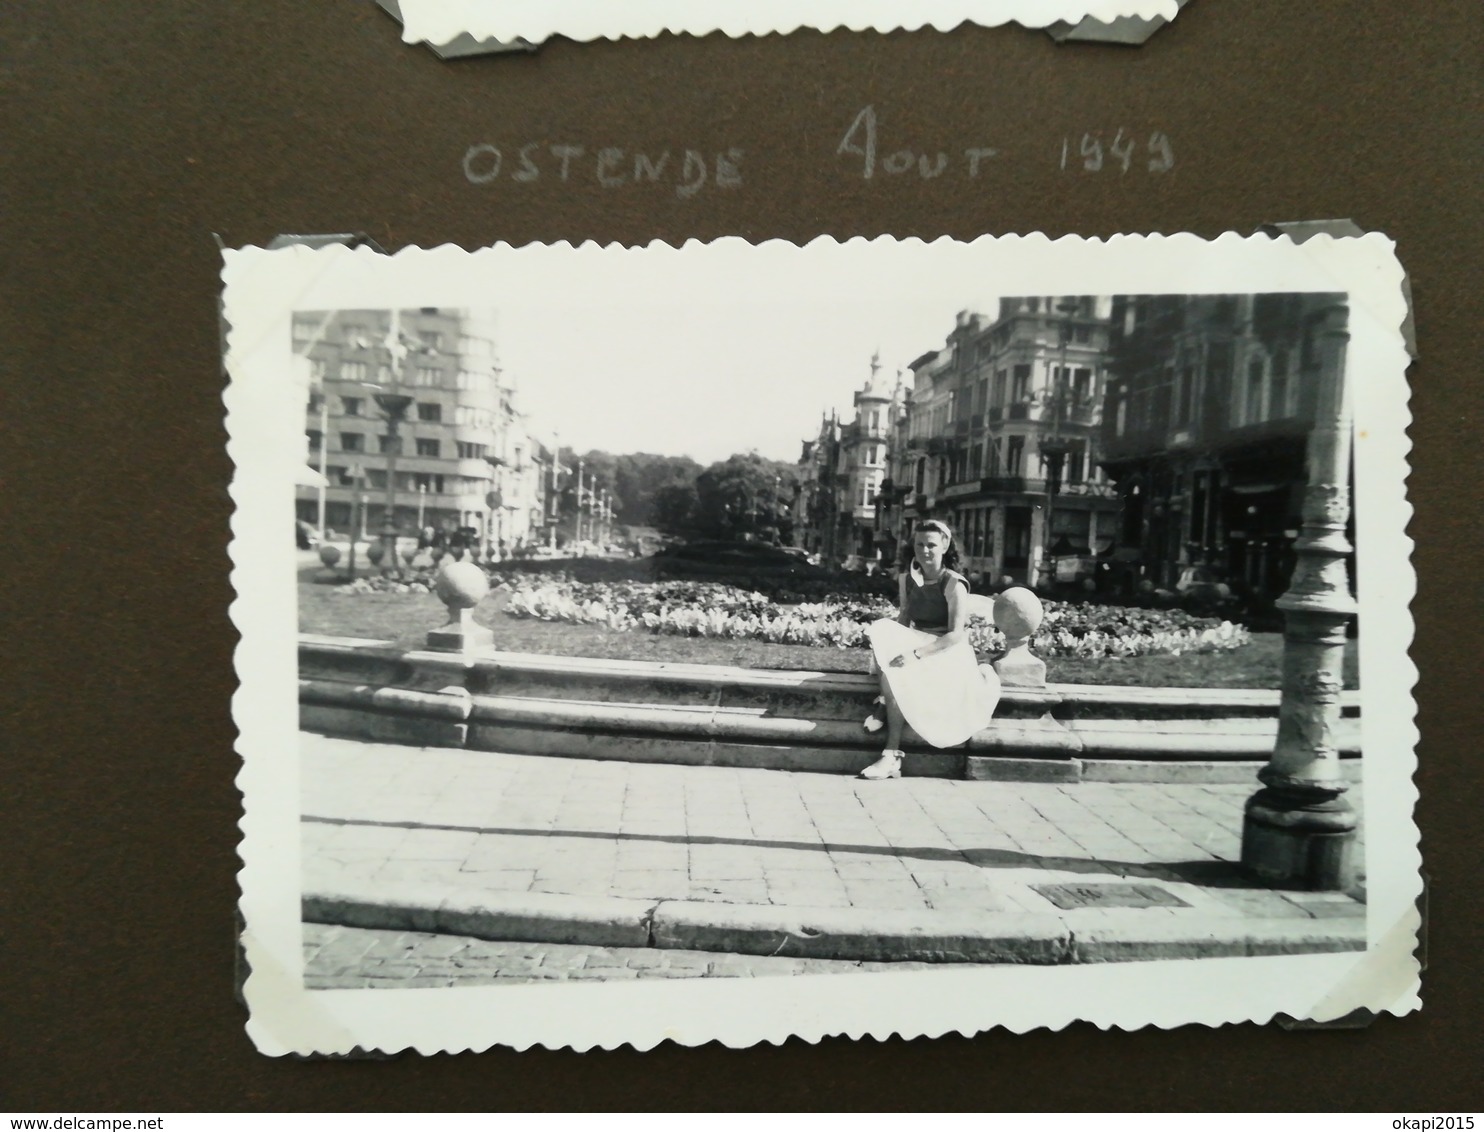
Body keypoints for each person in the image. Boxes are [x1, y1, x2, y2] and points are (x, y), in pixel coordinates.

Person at [858, 520, 1000, 780]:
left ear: (945, 546)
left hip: (946, 650)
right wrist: (896, 648)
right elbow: (903, 620)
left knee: (899, 675)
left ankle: (890, 754)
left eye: (931, 545)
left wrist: (915, 655)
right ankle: (884, 699)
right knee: (882, 629)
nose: (925, 550)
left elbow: (956, 635)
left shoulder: (953, 583)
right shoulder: (908, 579)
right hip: (917, 639)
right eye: (920, 544)